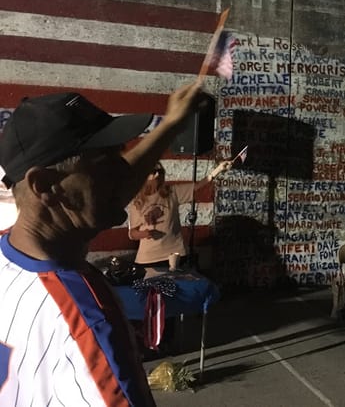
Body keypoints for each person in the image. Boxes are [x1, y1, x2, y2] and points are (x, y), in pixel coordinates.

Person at [0, 82, 204, 406]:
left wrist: (171, 124)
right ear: (46, 187)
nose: (124, 173)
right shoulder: (88, 318)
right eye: (105, 162)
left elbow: (109, 185)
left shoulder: (8, 250)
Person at [128, 159, 232, 267]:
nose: (158, 175)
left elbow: (198, 186)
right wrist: (146, 233)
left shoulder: (171, 192)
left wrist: (218, 170)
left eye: (160, 172)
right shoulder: (138, 202)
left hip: (174, 254)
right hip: (147, 258)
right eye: (154, 172)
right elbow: (132, 234)